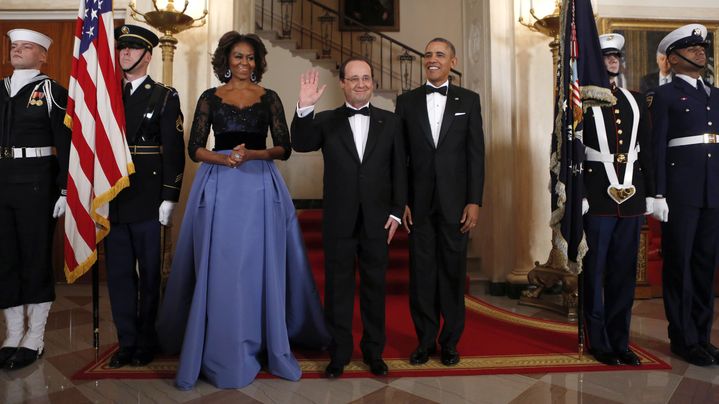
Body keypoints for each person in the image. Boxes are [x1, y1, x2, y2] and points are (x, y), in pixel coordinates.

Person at [156, 31, 329, 390]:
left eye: (250, 58)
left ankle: (264, 341)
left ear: (257, 62)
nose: (244, 63)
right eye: (238, 57)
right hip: (219, 183)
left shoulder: (270, 98)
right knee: (220, 264)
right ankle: (216, 344)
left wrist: (253, 154)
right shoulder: (209, 98)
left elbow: (284, 147)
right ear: (226, 61)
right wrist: (223, 158)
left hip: (260, 185)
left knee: (257, 263)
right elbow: (194, 148)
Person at [291, 58, 407, 378]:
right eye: (353, 78)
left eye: (366, 78)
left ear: (373, 82)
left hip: (378, 221)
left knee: (374, 289)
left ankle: (374, 352)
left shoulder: (391, 122)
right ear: (342, 83)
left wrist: (397, 212)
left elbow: (400, 170)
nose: (360, 83)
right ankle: (338, 354)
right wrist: (304, 106)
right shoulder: (326, 120)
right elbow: (300, 144)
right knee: (338, 290)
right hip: (339, 220)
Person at [395, 38, 485, 367]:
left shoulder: (469, 101)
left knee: (451, 274)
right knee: (421, 277)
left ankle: (450, 343)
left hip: (455, 205)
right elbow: (399, 157)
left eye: (440, 54)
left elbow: (476, 156)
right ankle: (423, 341)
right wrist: (401, 200)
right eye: (428, 54)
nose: (432, 59)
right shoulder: (406, 102)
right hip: (417, 205)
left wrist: (474, 201)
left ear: (452, 61)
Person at [104, 24, 185, 369]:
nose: (125, 53)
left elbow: (174, 151)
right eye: (122, 48)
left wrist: (170, 196)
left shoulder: (164, 95)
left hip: (149, 196)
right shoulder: (105, 95)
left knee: (150, 274)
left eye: (133, 49)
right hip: (113, 195)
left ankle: (146, 340)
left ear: (148, 55)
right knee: (120, 275)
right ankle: (126, 341)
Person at [580, 33, 655, 366]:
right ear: (596, 62)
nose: (612, 61)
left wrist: (654, 192)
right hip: (596, 195)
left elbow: (648, 150)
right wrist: (576, 192)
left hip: (632, 196)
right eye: (605, 56)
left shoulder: (635, 100)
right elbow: (567, 150)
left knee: (623, 272)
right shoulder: (580, 100)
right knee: (594, 270)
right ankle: (599, 342)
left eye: (615, 56)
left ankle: (620, 341)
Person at [0, 29, 70, 371]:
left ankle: (35, 337)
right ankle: (12, 335)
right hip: (2, 181)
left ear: (43, 56)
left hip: (36, 182)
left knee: (35, 257)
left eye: (26, 46)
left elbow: (67, 142)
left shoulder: (51, 91)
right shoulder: (0, 88)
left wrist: (64, 189)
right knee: (5, 259)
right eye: (14, 46)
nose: (17, 50)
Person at [651, 24, 719, 367]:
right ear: (673, 59)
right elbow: (657, 147)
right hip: (681, 191)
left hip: (713, 190)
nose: (700, 52)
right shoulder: (663, 96)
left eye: (701, 47)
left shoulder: (716, 94)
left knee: (706, 265)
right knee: (680, 264)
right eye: (691, 49)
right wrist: (658, 193)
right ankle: (682, 338)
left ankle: (702, 337)